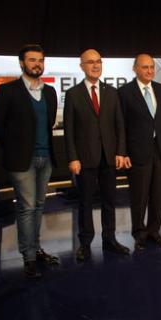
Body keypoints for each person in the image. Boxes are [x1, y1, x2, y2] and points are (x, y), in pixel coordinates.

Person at [0, 44, 59, 278]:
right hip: (22, 161)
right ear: (22, 63)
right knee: (27, 207)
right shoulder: (8, 91)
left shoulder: (49, 92)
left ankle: (35, 248)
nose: (37, 64)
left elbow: (48, 124)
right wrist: (13, 148)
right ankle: (28, 256)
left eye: (40, 60)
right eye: (32, 60)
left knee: (38, 206)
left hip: (46, 157)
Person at [63, 49, 129, 261]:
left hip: (109, 157)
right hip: (85, 159)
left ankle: (109, 240)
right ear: (81, 66)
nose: (96, 65)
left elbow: (120, 124)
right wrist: (73, 157)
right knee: (85, 202)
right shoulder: (73, 94)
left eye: (98, 61)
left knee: (110, 200)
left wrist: (120, 151)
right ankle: (84, 243)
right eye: (90, 62)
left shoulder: (112, 92)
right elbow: (69, 130)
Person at [118, 54, 161, 251]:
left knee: (158, 195)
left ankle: (154, 231)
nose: (149, 70)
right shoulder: (124, 92)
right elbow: (121, 125)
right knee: (139, 197)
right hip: (137, 152)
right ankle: (139, 234)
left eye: (152, 67)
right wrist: (123, 152)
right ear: (135, 69)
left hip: (160, 152)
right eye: (145, 67)